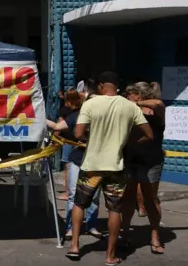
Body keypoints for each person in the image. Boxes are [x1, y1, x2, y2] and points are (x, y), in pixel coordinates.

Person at [65, 71, 154, 266]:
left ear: (102, 85)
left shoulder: (90, 104)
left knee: (80, 204)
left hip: (91, 166)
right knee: (114, 209)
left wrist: (89, 140)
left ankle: (74, 246)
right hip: (116, 166)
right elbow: (149, 135)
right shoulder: (130, 106)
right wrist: (128, 143)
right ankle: (110, 256)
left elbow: (78, 133)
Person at [46, 89, 102, 240]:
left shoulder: (105, 118)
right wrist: (38, 118)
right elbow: (57, 127)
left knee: (94, 197)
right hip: (77, 160)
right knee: (73, 195)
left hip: (97, 162)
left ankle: (91, 225)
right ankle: (70, 227)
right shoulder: (77, 116)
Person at [121, 81, 166, 255]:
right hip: (130, 159)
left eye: (129, 94)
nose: (127, 97)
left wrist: (136, 104)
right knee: (128, 198)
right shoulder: (129, 110)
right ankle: (124, 232)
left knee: (151, 199)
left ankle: (155, 235)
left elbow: (159, 103)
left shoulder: (155, 111)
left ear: (138, 95)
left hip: (151, 160)